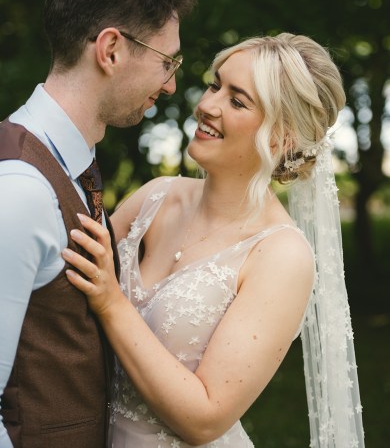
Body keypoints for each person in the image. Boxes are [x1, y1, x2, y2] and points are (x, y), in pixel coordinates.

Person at [63, 33, 365, 448]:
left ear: (284, 136)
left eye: (237, 101)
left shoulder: (281, 255)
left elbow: (204, 418)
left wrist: (111, 303)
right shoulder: (155, 197)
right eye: (214, 84)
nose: (206, 105)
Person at [0, 0, 196, 448]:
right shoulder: (21, 190)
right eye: (165, 62)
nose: (171, 86)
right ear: (111, 50)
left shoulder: (73, 165)